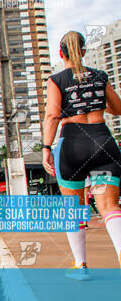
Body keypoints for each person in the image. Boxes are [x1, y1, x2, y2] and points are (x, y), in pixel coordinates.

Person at [42, 31, 121, 280]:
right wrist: (94, 99)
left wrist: (46, 147)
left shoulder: (56, 79)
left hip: (72, 143)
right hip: (102, 140)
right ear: (84, 52)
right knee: (109, 206)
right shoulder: (100, 76)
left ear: (60, 53)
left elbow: (53, 115)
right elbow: (117, 109)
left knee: (74, 208)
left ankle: (81, 266)